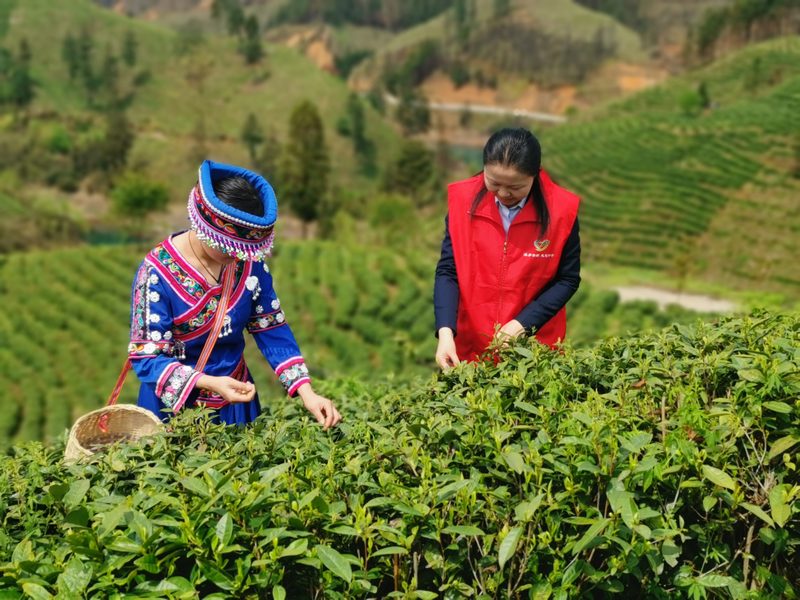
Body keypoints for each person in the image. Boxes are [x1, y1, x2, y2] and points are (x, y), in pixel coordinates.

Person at [128, 160, 341, 429]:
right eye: (229, 247)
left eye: (246, 249)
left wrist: (307, 393)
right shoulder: (156, 273)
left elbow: (270, 327)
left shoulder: (248, 262)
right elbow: (146, 358)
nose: (239, 256)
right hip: (173, 410)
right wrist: (207, 382)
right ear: (205, 229)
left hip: (235, 402)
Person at [434, 127, 581, 368]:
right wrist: (445, 333)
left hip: (532, 349)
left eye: (515, 187)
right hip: (470, 348)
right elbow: (448, 270)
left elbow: (567, 279)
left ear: (535, 175)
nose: (503, 193)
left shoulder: (562, 211)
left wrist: (522, 324)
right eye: (494, 182)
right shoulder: (462, 200)